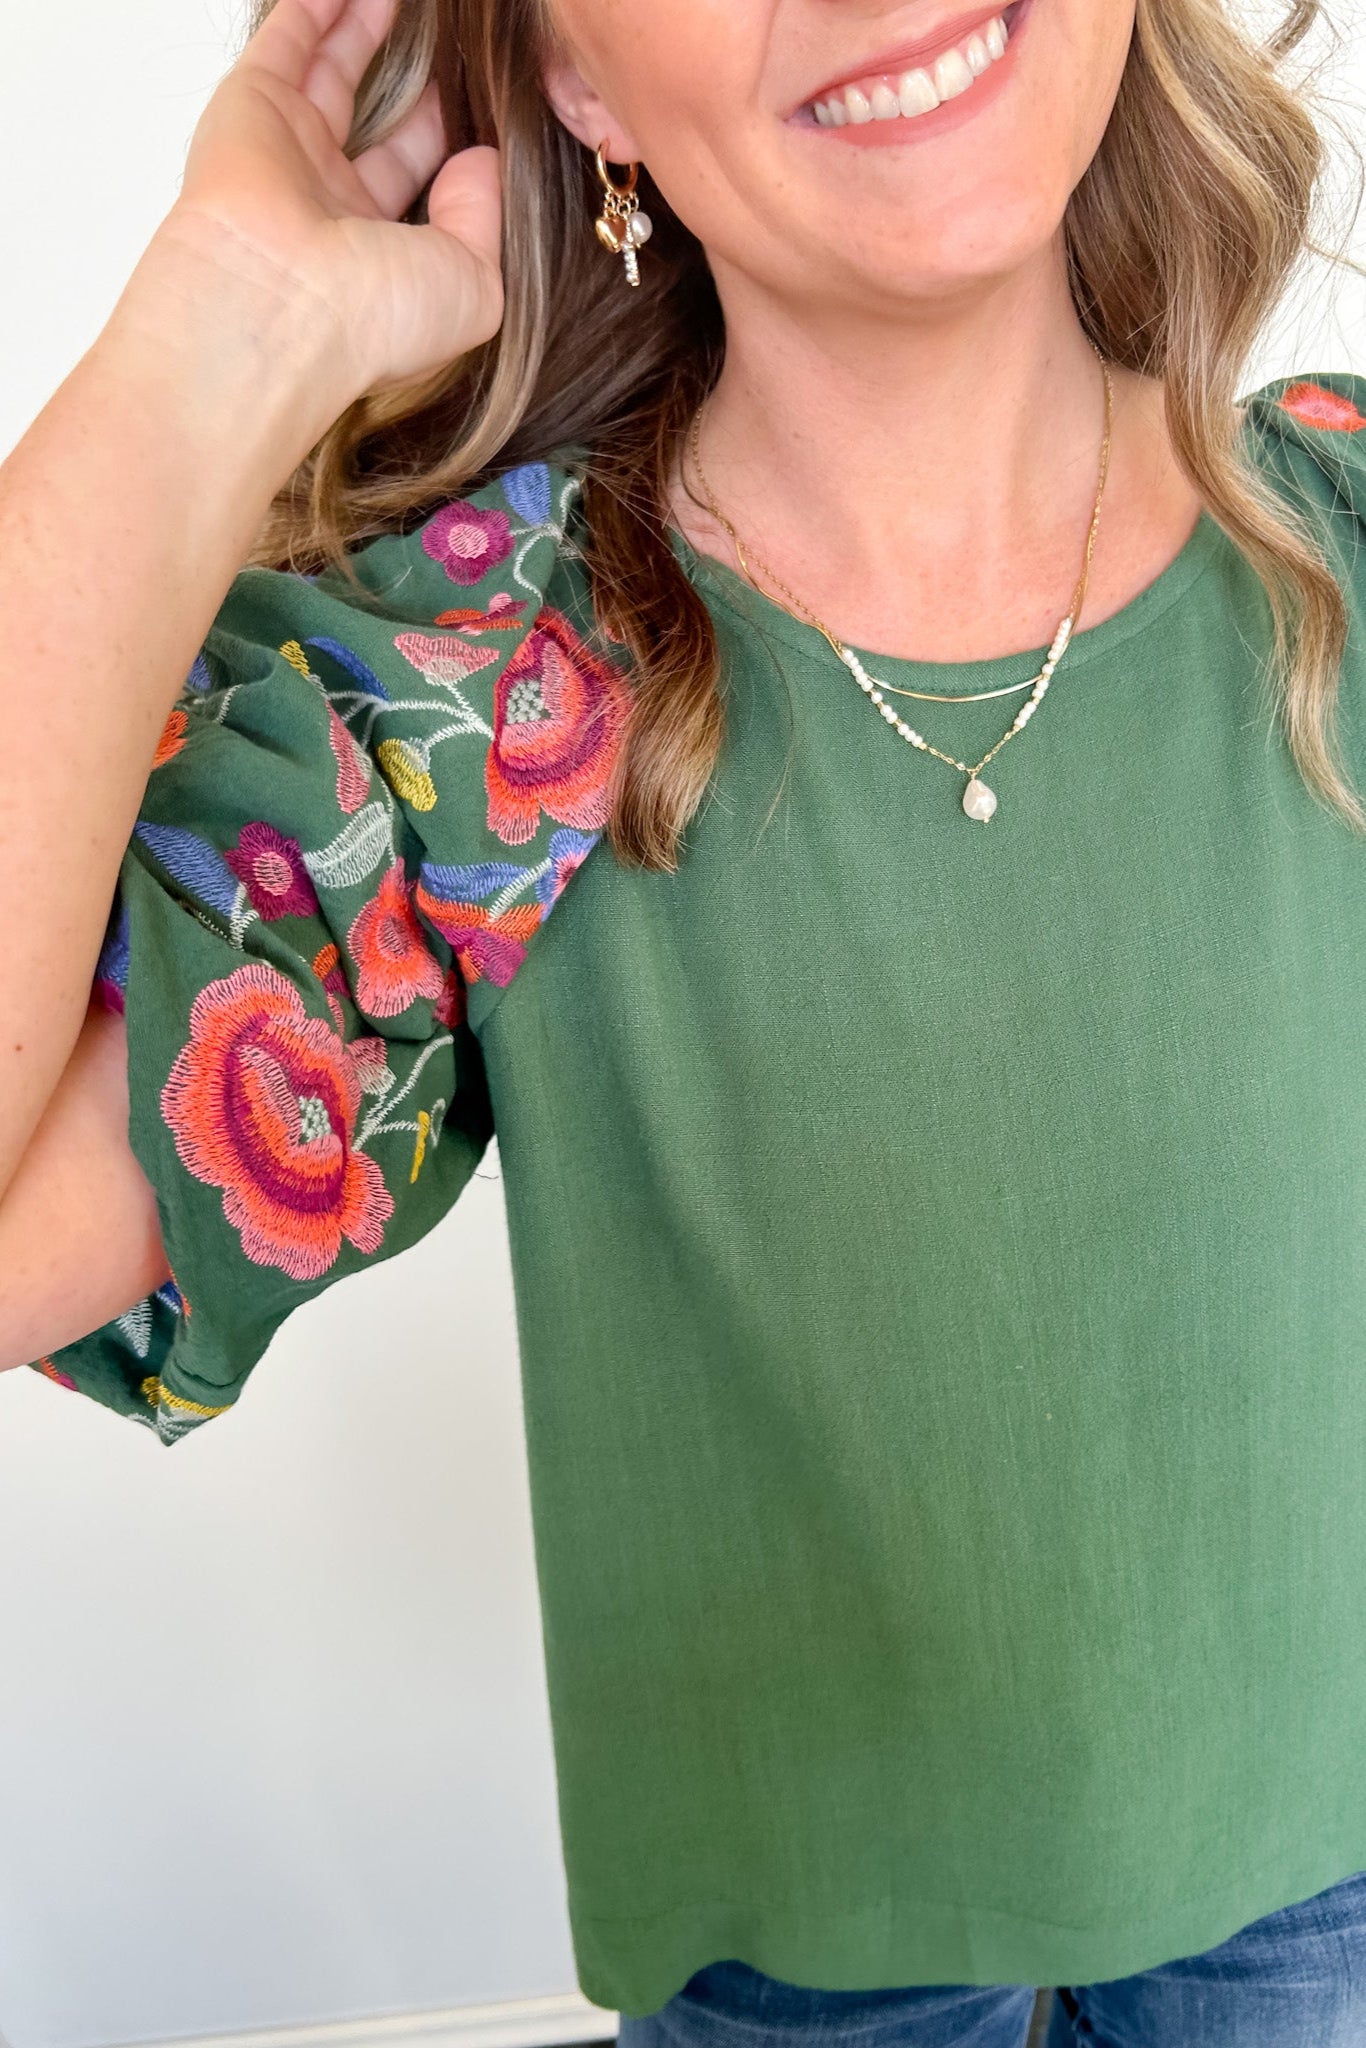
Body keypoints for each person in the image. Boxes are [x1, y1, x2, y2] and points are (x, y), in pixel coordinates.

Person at [2, 0, 1366, 2039]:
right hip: (792, 1980)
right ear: (568, 78)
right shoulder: (489, 698)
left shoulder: (1335, 550)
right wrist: (211, 344)